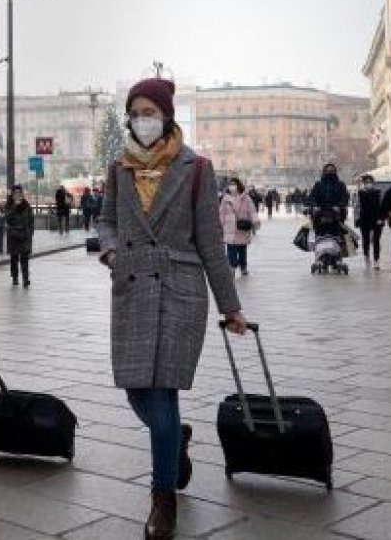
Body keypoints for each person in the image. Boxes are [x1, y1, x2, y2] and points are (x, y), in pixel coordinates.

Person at [96, 77, 247, 540]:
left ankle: (163, 503)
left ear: (166, 116)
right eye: (135, 112)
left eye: (149, 111)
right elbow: (106, 221)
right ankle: (174, 439)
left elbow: (209, 241)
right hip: (132, 285)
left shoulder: (196, 168)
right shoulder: (118, 168)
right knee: (136, 390)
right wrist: (112, 253)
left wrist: (230, 305)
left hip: (181, 290)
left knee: (161, 394)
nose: (142, 119)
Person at [219, 177, 260, 277]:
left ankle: (243, 267)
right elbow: (221, 213)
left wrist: (255, 221)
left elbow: (252, 210)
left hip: (242, 227)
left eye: (234, 184)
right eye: (230, 184)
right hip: (229, 228)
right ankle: (232, 267)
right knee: (231, 249)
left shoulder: (245, 198)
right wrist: (219, 225)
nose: (232, 186)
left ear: (238, 185)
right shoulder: (225, 198)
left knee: (242, 249)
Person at [5, 185, 34, 287]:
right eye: (16, 193)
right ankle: (15, 277)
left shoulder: (27, 206)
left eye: (19, 193)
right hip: (13, 235)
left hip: (24, 235)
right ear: (12, 195)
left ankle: (26, 279)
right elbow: (8, 219)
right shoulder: (9, 205)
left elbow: (31, 220)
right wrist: (14, 207)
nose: (18, 195)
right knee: (14, 258)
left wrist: (30, 234)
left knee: (24, 258)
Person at [355, 176, 385, 270]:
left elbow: (383, 206)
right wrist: (357, 219)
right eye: (366, 182)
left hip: (377, 219)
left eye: (370, 181)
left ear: (373, 182)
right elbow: (356, 207)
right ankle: (366, 256)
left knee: (376, 240)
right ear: (364, 183)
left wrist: (382, 218)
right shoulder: (360, 193)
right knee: (366, 240)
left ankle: (376, 260)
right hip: (364, 219)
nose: (368, 183)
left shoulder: (378, 193)